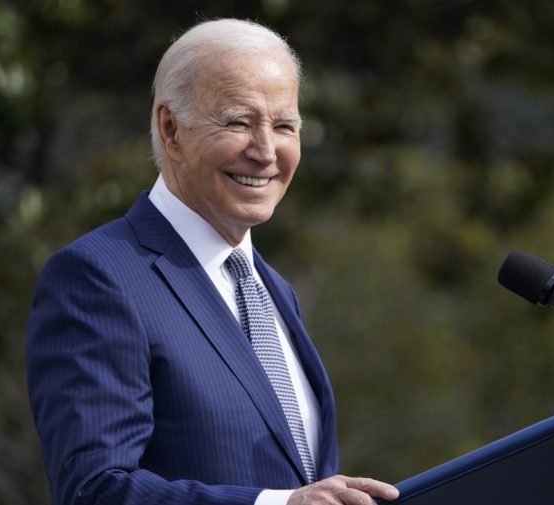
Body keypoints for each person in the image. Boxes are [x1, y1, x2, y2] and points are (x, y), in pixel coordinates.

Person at [26, 18, 399, 505]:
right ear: (171, 129)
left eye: (285, 126)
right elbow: (95, 491)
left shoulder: (274, 291)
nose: (266, 152)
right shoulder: (97, 277)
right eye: (239, 122)